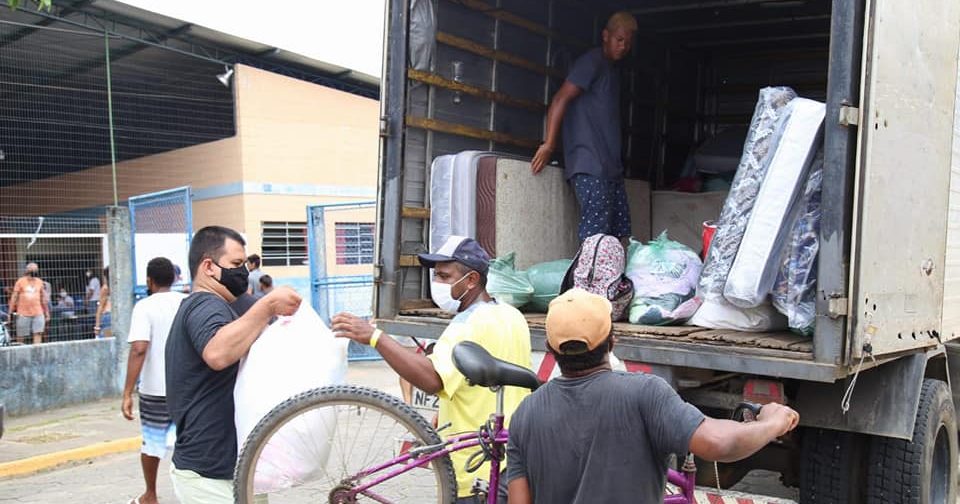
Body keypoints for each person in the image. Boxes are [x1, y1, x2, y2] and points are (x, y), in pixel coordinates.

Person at [506, 289, 800, 503]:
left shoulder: (525, 414)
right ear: (612, 341)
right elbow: (719, 443)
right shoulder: (643, 393)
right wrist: (773, 421)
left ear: (550, 347)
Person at [333, 236, 532, 503]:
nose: (436, 283)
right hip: (510, 459)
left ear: (471, 280)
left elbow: (432, 378)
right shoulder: (511, 315)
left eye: (444, 276)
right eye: (436, 275)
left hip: (473, 468)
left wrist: (375, 337)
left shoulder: (467, 325)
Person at [165, 226, 301, 503]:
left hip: (232, 469)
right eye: (236, 265)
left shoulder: (220, 305)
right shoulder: (205, 305)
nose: (243, 272)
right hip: (210, 475)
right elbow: (217, 353)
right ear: (208, 267)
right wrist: (267, 306)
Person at [530, 11, 638, 243]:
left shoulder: (612, 70)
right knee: (595, 239)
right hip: (591, 165)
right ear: (605, 36)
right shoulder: (592, 62)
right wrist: (549, 144)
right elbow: (561, 98)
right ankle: (587, 280)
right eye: (619, 40)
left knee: (621, 237)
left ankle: (615, 280)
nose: (623, 47)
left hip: (611, 169)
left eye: (628, 43)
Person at [121, 257, 187, 504]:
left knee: (153, 443)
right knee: (189, 440)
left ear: (149, 280)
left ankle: (150, 495)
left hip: (154, 389)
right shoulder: (187, 302)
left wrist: (127, 392)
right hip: (186, 388)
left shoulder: (144, 307)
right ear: (174, 278)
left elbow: (139, 348)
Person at [9, 263, 49, 345]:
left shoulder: (39, 282)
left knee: (38, 333)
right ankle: (20, 354)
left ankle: (36, 354)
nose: (35, 271)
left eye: (36, 269)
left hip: (38, 312)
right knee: (21, 336)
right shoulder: (20, 281)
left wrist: (47, 312)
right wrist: (10, 312)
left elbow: (43, 298)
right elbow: (14, 297)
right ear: (27, 270)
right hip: (23, 313)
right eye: (33, 269)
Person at [94, 266, 111, 338]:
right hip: (110, 316)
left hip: (107, 315)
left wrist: (97, 327)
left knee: (108, 342)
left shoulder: (105, 288)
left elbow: (100, 306)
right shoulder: (109, 287)